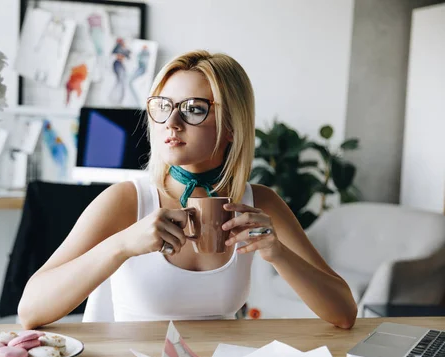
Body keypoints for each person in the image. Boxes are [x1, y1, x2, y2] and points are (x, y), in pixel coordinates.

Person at [18, 50, 357, 329]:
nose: (171, 122)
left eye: (193, 109)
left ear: (232, 127)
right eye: (164, 106)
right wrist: (122, 245)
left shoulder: (261, 203)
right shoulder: (126, 199)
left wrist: (277, 253)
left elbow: (344, 313)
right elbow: (30, 310)